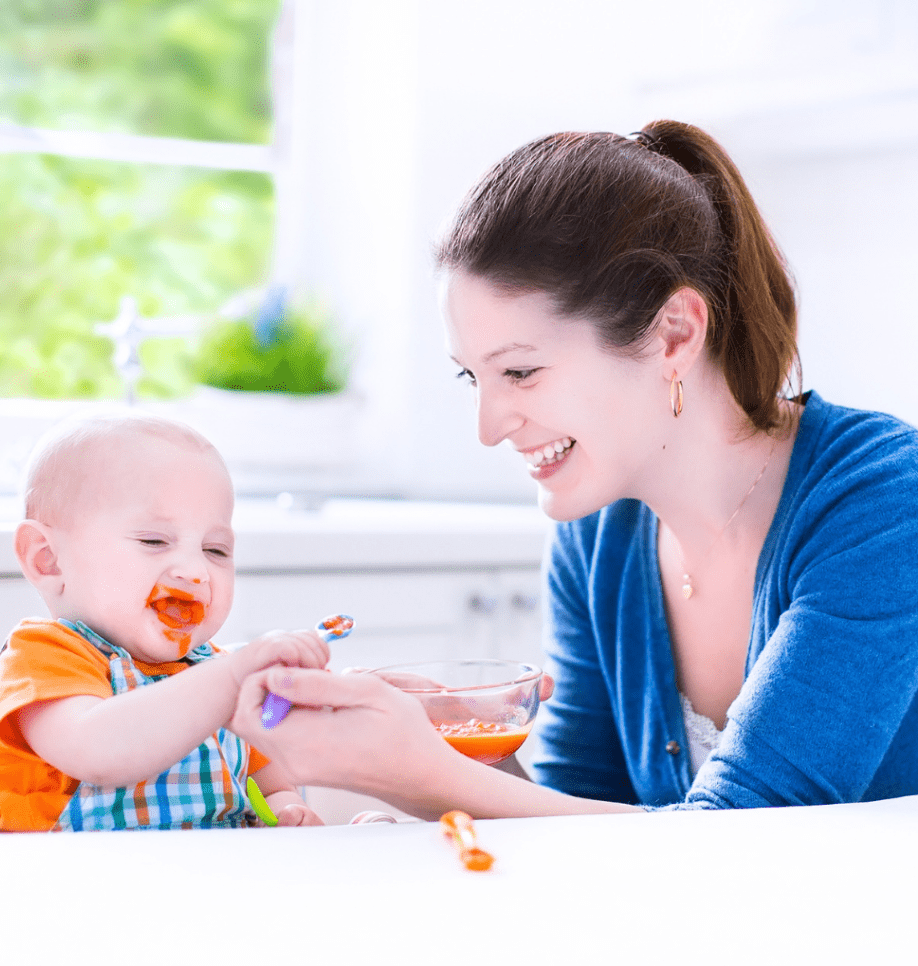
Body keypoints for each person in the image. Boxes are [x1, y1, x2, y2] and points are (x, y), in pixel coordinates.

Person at [228, 120, 918, 818]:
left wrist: (422, 778)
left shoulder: (883, 504)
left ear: (674, 334)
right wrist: (466, 755)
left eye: (520, 372)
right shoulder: (598, 536)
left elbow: (742, 839)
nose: (489, 427)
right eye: (474, 378)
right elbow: (586, 818)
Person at [0, 414, 329, 832]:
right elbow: (98, 750)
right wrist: (229, 679)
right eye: (154, 541)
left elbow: (271, 785)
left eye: (215, 550)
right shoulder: (43, 656)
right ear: (47, 559)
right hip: (75, 886)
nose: (196, 571)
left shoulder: (213, 670)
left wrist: (288, 810)